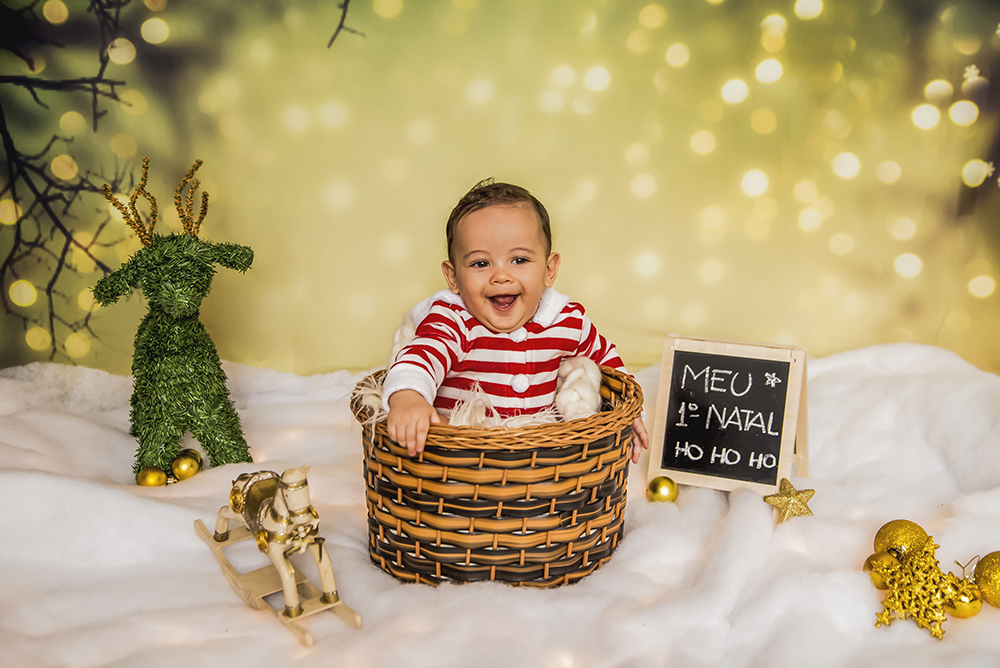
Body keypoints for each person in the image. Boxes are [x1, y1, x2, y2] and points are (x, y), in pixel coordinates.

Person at [383, 178, 649, 461]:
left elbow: (607, 361)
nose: (501, 275)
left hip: (539, 458)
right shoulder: (453, 320)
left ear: (549, 269)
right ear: (453, 276)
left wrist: (631, 414)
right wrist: (408, 397)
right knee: (435, 428)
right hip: (464, 457)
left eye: (519, 260)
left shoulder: (564, 320)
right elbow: (420, 356)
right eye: (481, 263)